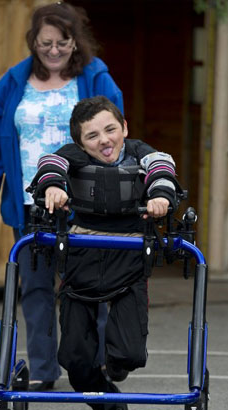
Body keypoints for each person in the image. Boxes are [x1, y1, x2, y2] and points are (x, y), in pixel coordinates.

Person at [0, 2, 123, 391]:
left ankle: (97, 368)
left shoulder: (96, 78)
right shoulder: (12, 82)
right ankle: (42, 371)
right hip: (29, 205)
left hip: (86, 204)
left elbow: (117, 135)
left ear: (76, 40)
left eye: (62, 42)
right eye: (45, 43)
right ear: (33, 42)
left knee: (93, 289)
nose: (53, 51)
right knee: (36, 290)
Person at [30, 96, 180, 410]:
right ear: (80, 143)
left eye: (110, 129)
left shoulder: (141, 153)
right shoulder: (73, 155)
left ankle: (116, 366)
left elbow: (162, 165)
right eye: (92, 136)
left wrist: (161, 195)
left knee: (129, 354)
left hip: (129, 256)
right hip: (82, 254)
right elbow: (50, 164)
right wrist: (54, 187)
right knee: (75, 360)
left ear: (124, 127)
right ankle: (110, 403)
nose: (104, 140)